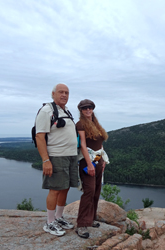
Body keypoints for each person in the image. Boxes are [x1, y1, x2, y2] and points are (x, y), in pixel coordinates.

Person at [35, 83, 78, 236]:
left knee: (64, 187)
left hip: (70, 156)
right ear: (53, 94)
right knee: (55, 189)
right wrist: (46, 160)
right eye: (61, 92)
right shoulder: (47, 110)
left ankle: (59, 217)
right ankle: (50, 222)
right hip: (56, 156)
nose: (64, 95)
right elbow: (39, 136)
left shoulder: (66, 111)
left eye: (67, 92)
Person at [75, 99, 109, 239]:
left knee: (96, 191)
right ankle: (81, 224)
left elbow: (100, 145)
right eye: (85, 108)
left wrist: (103, 159)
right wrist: (89, 164)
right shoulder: (81, 124)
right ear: (81, 111)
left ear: (93, 109)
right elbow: (83, 145)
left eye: (90, 108)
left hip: (98, 160)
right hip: (87, 161)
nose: (88, 110)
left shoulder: (95, 124)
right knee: (88, 191)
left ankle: (91, 219)